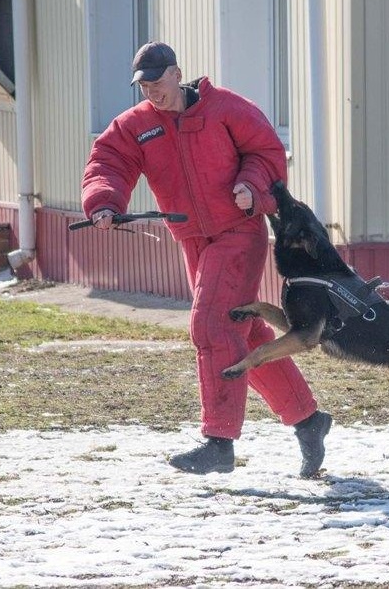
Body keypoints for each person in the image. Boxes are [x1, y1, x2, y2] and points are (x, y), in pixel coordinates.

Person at [80, 41, 332, 477]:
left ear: (177, 74)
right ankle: (309, 420)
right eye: (144, 87)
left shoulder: (228, 109)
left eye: (157, 83)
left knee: (212, 325)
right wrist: (103, 201)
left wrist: (250, 186)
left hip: (237, 233)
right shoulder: (137, 125)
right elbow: (108, 161)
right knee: (245, 332)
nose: (152, 94)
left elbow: (266, 154)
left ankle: (219, 441)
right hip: (191, 239)